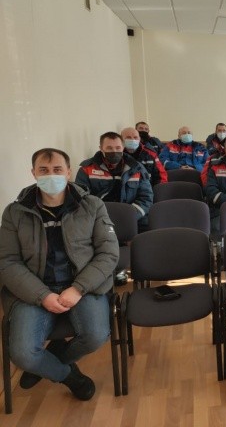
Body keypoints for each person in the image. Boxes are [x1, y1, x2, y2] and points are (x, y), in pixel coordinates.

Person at [0, 148, 119, 401]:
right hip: (33, 289)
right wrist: (42, 295)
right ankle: (69, 376)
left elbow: (108, 253)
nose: (50, 175)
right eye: (43, 170)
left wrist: (78, 289)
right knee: (22, 354)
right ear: (33, 173)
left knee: (95, 336)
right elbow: (7, 261)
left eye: (57, 170)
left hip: (83, 285)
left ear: (68, 172)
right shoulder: (14, 212)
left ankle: (51, 360)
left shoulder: (92, 205)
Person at [75, 132, 153, 232]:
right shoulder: (86, 169)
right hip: (98, 220)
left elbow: (146, 198)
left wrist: (129, 215)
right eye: (109, 148)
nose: (114, 151)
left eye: (118, 147)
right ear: (101, 148)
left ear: (123, 147)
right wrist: (101, 217)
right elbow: (81, 198)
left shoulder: (137, 168)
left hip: (131, 218)